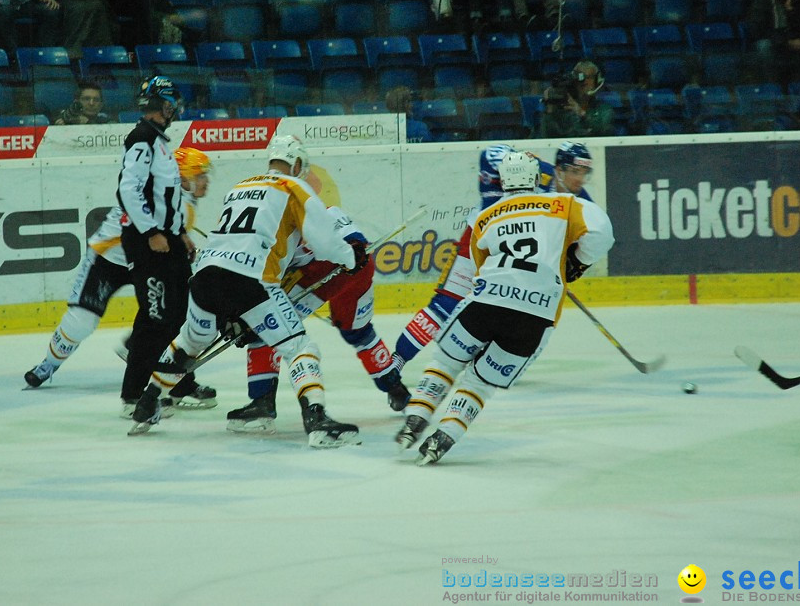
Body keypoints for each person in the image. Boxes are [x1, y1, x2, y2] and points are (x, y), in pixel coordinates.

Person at [129, 135, 365, 446]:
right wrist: (350, 258)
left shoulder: (239, 187)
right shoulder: (293, 186)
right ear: (295, 164)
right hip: (251, 278)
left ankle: (146, 406)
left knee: (189, 341)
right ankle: (317, 421)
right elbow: (322, 237)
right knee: (299, 347)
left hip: (204, 277)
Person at [396, 151, 615, 464]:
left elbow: (478, 266)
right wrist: (577, 261)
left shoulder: (487, 215)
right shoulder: (563, 204)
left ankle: (414, 419)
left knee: (446, 361)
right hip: (536, 316)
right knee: (481, 383)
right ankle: (444, 438)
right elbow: (602, 231)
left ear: (503, 180)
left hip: (488, 302)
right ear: (534, 179)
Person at [24, 146, 215, 416]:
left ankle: (164, 373)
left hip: (143, 260)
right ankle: (48, 365)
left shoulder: (176, 196)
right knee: (82, 321)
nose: (206, 181)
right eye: (201, 175)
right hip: (107, 259)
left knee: (164, 317)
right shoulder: (165, 196)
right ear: (183, 178)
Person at [219, 206, 408, 433]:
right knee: (358, 332)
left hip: (331, 268)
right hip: (354, 266)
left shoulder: (283, 225)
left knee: (265, 326)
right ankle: (395, 389)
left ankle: (262, 402)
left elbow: (351, 238)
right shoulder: (290, 216)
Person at [389, 144, 566, 377]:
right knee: (446, 305)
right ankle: (396, 362)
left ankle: (493, 361)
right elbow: (490, 154)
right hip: (478, 236)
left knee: (514, 308)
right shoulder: (532, 167)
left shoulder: (566, 194)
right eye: (574, 171)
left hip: (515, 248)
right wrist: (533, 163)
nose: (578, 178)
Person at [118, 76, 195, 434]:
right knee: (155, 317)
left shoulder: (160, 141)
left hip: (168, 239)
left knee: (180, 314)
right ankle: (133, 395)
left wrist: (179, 233)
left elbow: (168, 197)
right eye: (172, 103)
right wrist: (151, 232)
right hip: (149, 242)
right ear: (163, 104)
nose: (176, 109)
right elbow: (128, 190)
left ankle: (174, 385)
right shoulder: (142, 139)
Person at [535, 60, 614, 138]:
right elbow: (547, 138)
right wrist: (550, 109)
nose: (584, 82)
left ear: (597, 81)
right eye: (580, 77)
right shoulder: (563, 111)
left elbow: (605, 132)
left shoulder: (604, 110)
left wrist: (582, 113)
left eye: (589, 77)